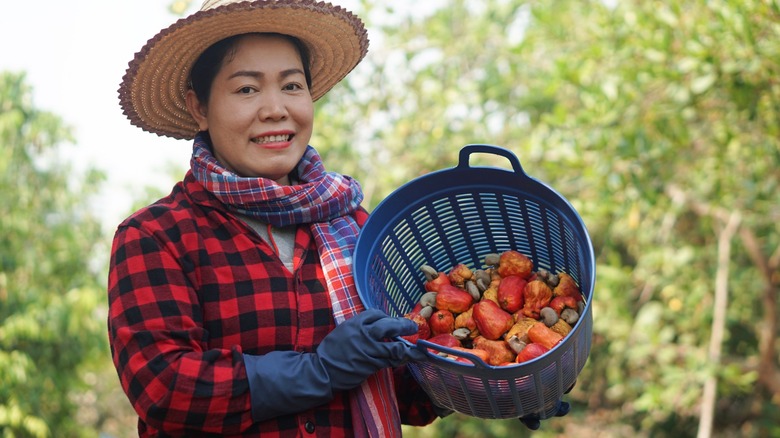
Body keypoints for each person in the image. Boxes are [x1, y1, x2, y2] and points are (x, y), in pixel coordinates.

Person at [109, 0, 568, 436]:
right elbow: (164, 386)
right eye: (247, 89)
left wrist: (505, 382)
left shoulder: (356, 229)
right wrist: (320, 371)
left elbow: (406, 387)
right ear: (198, 107)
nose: (276, 108)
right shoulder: (157, 236)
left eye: (292, 85)